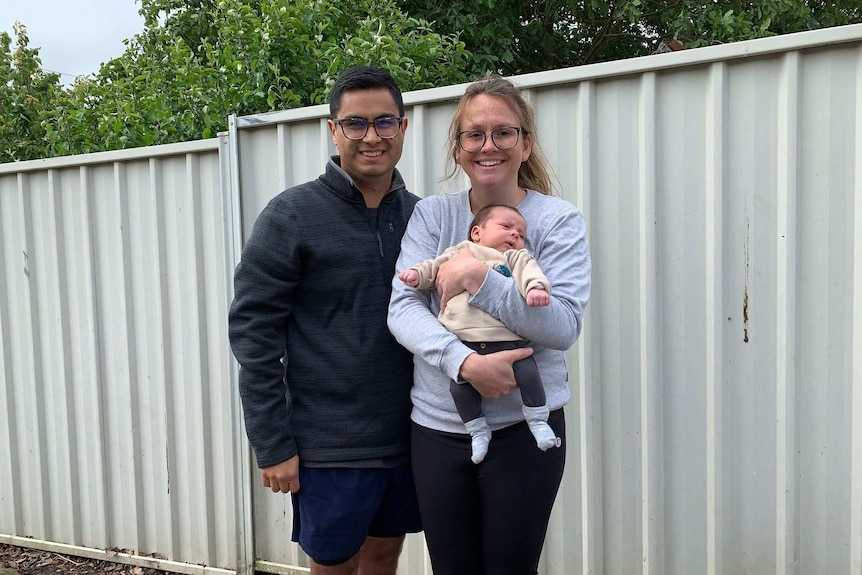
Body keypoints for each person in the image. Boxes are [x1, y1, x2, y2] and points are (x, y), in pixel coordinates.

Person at [388, 75, 591, 574]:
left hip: (526, 431)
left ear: (525, 144)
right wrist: (464, 365)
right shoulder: (432, 216)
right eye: (474, 134)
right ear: (458, 150)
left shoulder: (557, 221)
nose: (489, 146)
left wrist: (477, 275)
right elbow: (402, 308)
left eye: (504, 133)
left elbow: (562, 325)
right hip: (436, 428)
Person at [229, 65, 422, 575]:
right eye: (355, 124)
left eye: (384, 122)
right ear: (333, 130)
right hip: (329, 444)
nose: (371, 136)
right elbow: (254, 334)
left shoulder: (423, 217)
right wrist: (271, 443)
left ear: (403, 128)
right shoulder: (291, 215)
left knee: (385, 553)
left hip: (411, 430)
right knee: (334, 563)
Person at [397, 204, 560, 464]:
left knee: (528, 373)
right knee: (460, 389)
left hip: (506, 340)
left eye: (520, 234)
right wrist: (417, 274)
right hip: (463, 343)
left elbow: (532, 272)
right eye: (506, 227)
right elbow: (433, 268)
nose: (515, 236)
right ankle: (477, 431)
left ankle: (538, 421)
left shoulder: (515, 258)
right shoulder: (460, 252)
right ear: (476, 232)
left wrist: (536, 289)